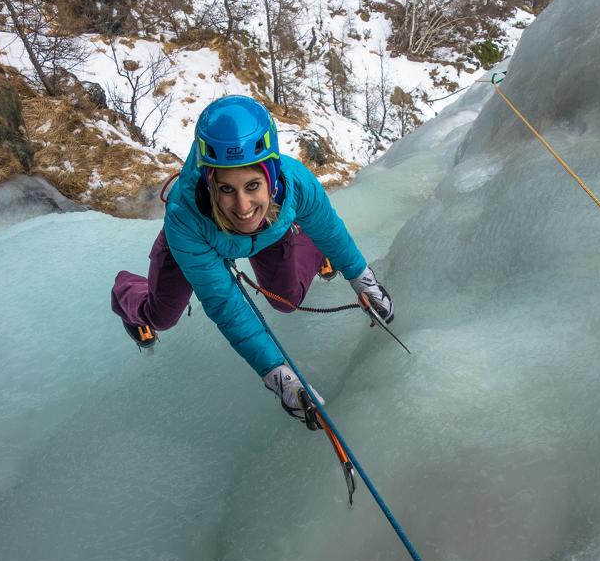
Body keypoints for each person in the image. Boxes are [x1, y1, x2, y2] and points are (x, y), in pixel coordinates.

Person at [110, 95, 393, 424]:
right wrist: (278, 375)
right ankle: (125, 290)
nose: (243, 206)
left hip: (272, 230)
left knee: (288, 299)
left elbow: (328, 230)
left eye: (253, 185)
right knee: (160, 316)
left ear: (271, 177)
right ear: (210, 183)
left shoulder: (296, 183)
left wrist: (363, 280)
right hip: (198, 240)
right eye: (226, 189)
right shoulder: (185, 218)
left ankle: (314, 253)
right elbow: (226, 304)